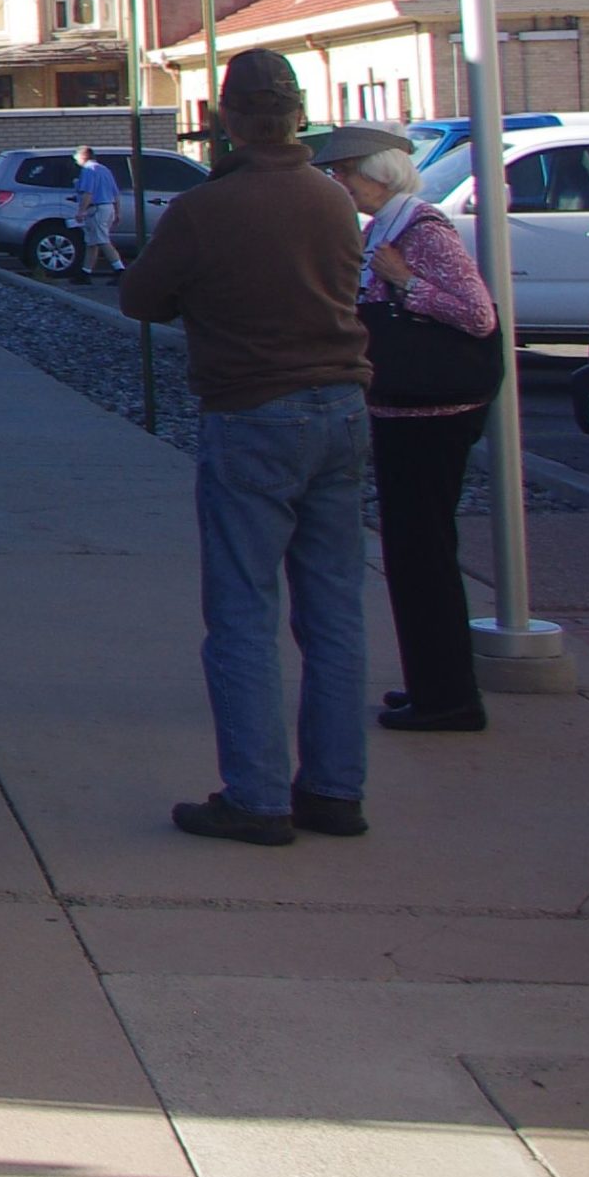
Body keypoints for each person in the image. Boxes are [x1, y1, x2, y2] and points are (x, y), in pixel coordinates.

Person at [117, 49, 376, 846]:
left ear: (228, 120)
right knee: (334, 610)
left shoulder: (207, 208)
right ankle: (334, 790)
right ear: (297, 114)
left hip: (253, 412)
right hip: (341, 408)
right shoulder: (332, 199)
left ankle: (257, 796)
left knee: (242, 611)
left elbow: (141, 297)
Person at [330, 135, 498, 733]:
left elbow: (478, 315)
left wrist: (403, 280)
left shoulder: (422, 230)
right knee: (411, 555)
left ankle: (450, 697)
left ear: (380, 176)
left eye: (349, 173)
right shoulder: (383, 226)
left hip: (435, 415)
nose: (342, 183)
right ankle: (434, 682)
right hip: (404, 413)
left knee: (423, 554)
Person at [71, 145, 124, 283]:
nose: (76, 161)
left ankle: (121, 271)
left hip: (97, 209)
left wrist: (81, 211)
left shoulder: (88, 170)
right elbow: (115, 193)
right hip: (108, 207)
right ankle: (85, 273)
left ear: (83, 156)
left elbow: (88, 192)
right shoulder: (104, 169)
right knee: (91, 242)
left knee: (102, 240)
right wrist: (118, 212)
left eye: (76, 158)